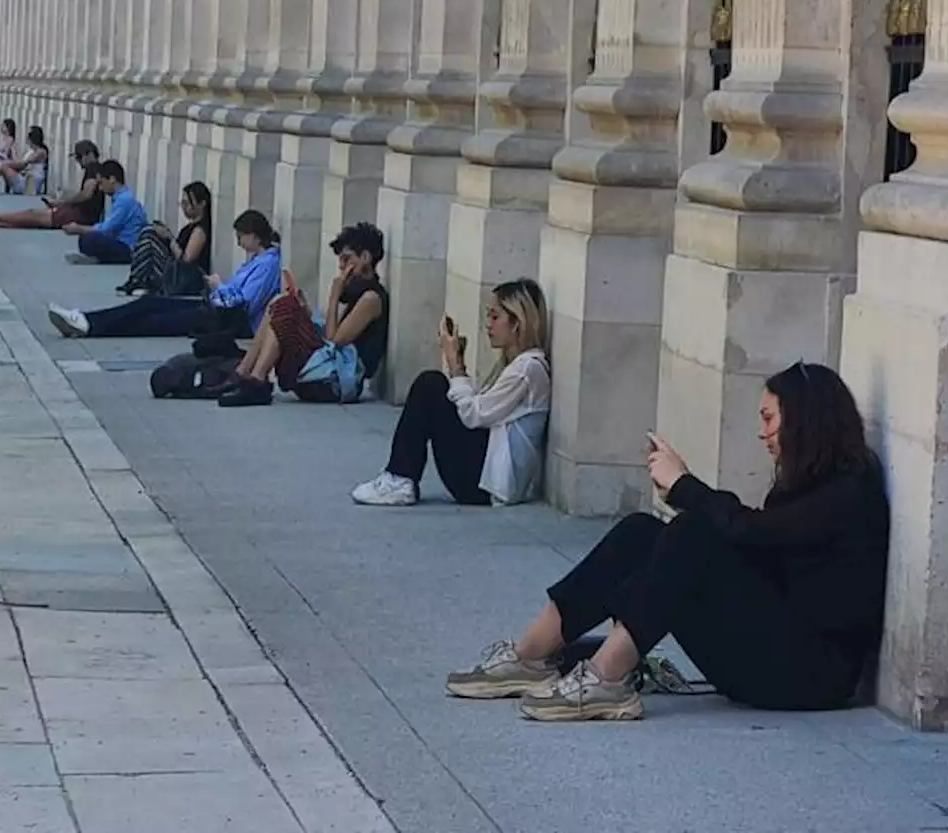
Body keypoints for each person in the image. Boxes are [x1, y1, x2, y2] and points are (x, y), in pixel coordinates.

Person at [444, 362, 890, 723]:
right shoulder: (802, 485)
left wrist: (686, 488)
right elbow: (753, 543)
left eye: (769, 418)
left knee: (694, 531)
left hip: (810, 676)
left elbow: (750, 533)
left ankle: (606, 679)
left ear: (805, 421)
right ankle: (532, 654)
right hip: (775, 648)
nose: (762, 433)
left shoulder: (849, 494)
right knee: (645, 531)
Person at [351, 279, 550, 507]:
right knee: (434, 388)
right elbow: (482, 412)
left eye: (495, 317)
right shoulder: (517, 365)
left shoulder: (528, 368)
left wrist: (455, 364)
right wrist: (460, 367)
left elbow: (473, 415)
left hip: (488, 486)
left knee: (431, 385)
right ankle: (399, 477)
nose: (488, 325)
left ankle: (399, 478)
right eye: (488, 316)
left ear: (517, 323)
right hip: (487, 477)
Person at [218, 222, 389, 407]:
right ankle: (245, 372)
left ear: (365, 257)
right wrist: (305, 313)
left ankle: (257, 380)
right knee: (279, 303)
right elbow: (330, 336)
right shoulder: (358, 294)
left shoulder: (371, 298)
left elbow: (335, 341)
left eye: (347, 260)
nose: (341, 267)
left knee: (284, 306)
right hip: (329, 370)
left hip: (337, 380)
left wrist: (334, 297)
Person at [47, 209, 281, 340]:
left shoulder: (268, 265)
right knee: (148, 304)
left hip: (226, 321)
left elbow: (246, 304)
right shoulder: (257, 261)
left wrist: (219, 285)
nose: (239, 241)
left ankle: (90, 326)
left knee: (153, 322)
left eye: (241, 236)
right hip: (213, 308)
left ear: (254, 235)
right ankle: (86, 319)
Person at [0, 139, 104, 230]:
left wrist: (63, 203)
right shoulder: (96, 169)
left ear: (89, 154)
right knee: (32, 217)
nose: (78, 162)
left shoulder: (93, 168)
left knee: (33, 216)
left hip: (79, 215)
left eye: (79, 157)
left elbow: (87, 193)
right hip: (79, 214)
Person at [116, 181, 213, 296]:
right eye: (182, 203)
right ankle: (138, 279)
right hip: (176, 272)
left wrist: (169, 238)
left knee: (149, 236)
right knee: (150, 232)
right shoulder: (190, 227)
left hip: (185, 278)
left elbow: (186, 260)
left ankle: (139, 280)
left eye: (187, 203)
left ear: (202, 204)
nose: (184, 208)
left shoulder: (200, 230)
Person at [62, 160, 146, 264]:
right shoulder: (122, 198)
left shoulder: (124, 200)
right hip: (121, 243)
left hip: (128, 248)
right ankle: (98, 258)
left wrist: (80, 229)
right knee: (87, 237)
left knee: (89, 238)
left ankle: (99, 259)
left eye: (101, 183)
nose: (101, 188)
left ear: (112, 179)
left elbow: (106, 229)